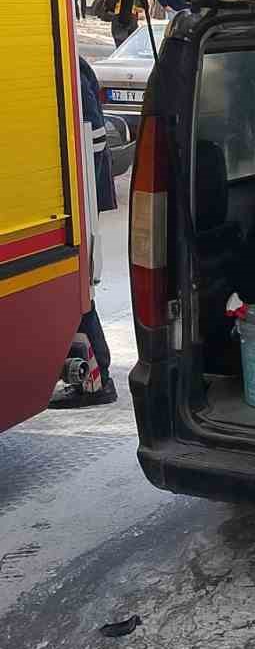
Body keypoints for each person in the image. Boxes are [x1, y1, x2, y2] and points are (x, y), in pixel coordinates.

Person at [48, 58, 119, 409]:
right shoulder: (70, 62)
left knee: (78, 288)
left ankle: (96, 378)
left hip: (76, 200)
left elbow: (90, 135)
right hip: (77, 198)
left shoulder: (67, 65)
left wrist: (80, 201)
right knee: (78, 289)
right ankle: (94, 376)